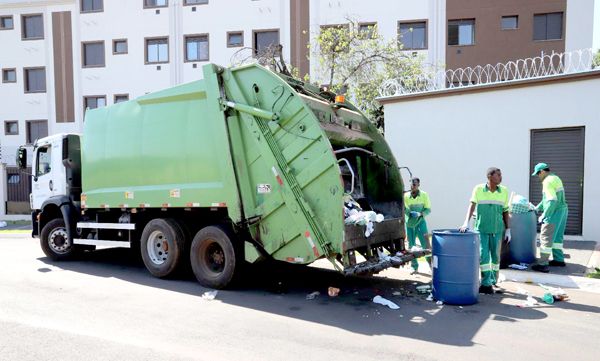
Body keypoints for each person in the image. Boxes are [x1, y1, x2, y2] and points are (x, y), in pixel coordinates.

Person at [459, 167, 511, 294]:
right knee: (484, 256)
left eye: (501, 174)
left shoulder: (504, 191)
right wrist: (466, 222)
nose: (500, 177)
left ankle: (494, 280)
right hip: (481, 229)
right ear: (489, 176)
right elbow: (472, 205)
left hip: (497, 229)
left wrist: (508, 229)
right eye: (498, 175)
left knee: (495, 257)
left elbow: (505, 211)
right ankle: (486, 283)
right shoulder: (478, 189)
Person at [531, 163, 568, 273]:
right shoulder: (555, 178)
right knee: (557, 237)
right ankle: (559, 260)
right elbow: (546, 199)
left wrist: (544, 215)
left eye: (538, 174)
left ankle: (543, 264)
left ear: (542, 171)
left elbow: (551, 201)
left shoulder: (547, 181)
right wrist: (536, 208)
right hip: (562, 211)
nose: (538, 176)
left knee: (545, 237)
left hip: (554, 212)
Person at [404, 177, 432, 273]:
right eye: (411, 184)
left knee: (426, 244)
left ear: (418, 185)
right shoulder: (406, 196)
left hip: (420, 222)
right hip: (410, 224)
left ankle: (431, 265)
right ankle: (414, 266)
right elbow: (404, 208)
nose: (413, 186)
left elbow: (428, 209)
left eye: (415, 184)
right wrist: (409, 213)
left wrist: (420, 214)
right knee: (412, 245)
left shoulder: (424, 195)